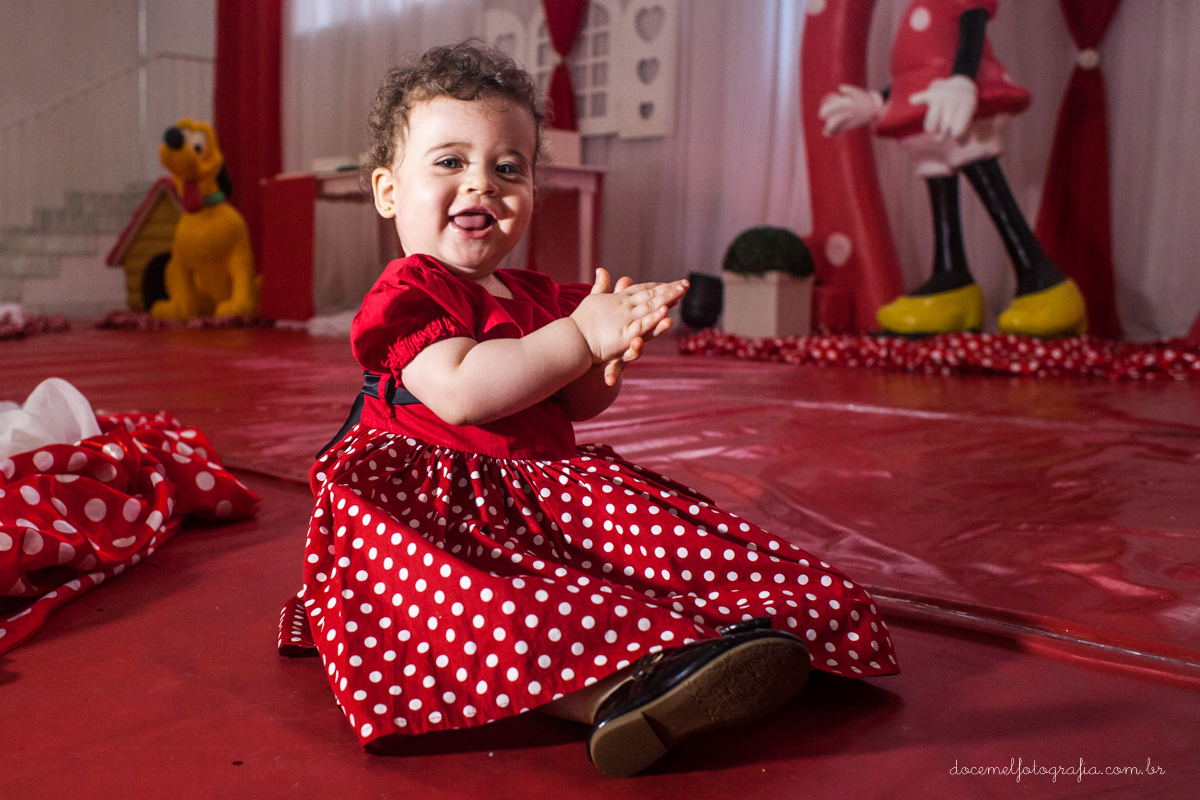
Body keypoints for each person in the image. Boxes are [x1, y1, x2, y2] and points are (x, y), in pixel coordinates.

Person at [279, 41, 898, 778]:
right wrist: (578, 335)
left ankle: (749, 635)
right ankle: (621, 693)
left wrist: (606, 355)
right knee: (492, 609)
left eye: (509, 168)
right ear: (388, 190)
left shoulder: (540, 295)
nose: (482, 183)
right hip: (430, 513)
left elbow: (577, 402)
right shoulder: (411, 290)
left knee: (673, 555)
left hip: (542, 489)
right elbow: (465, 389)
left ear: (533, 192)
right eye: (450, 162)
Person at [819, 0, 1087, 337]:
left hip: (960, 99)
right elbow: (916, 68)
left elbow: (970, 36)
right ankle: (951, 283)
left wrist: (962, 82)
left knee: (983, 175)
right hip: (929, 104)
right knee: (941, 180)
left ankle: (1045, 282)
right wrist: (876, 102)